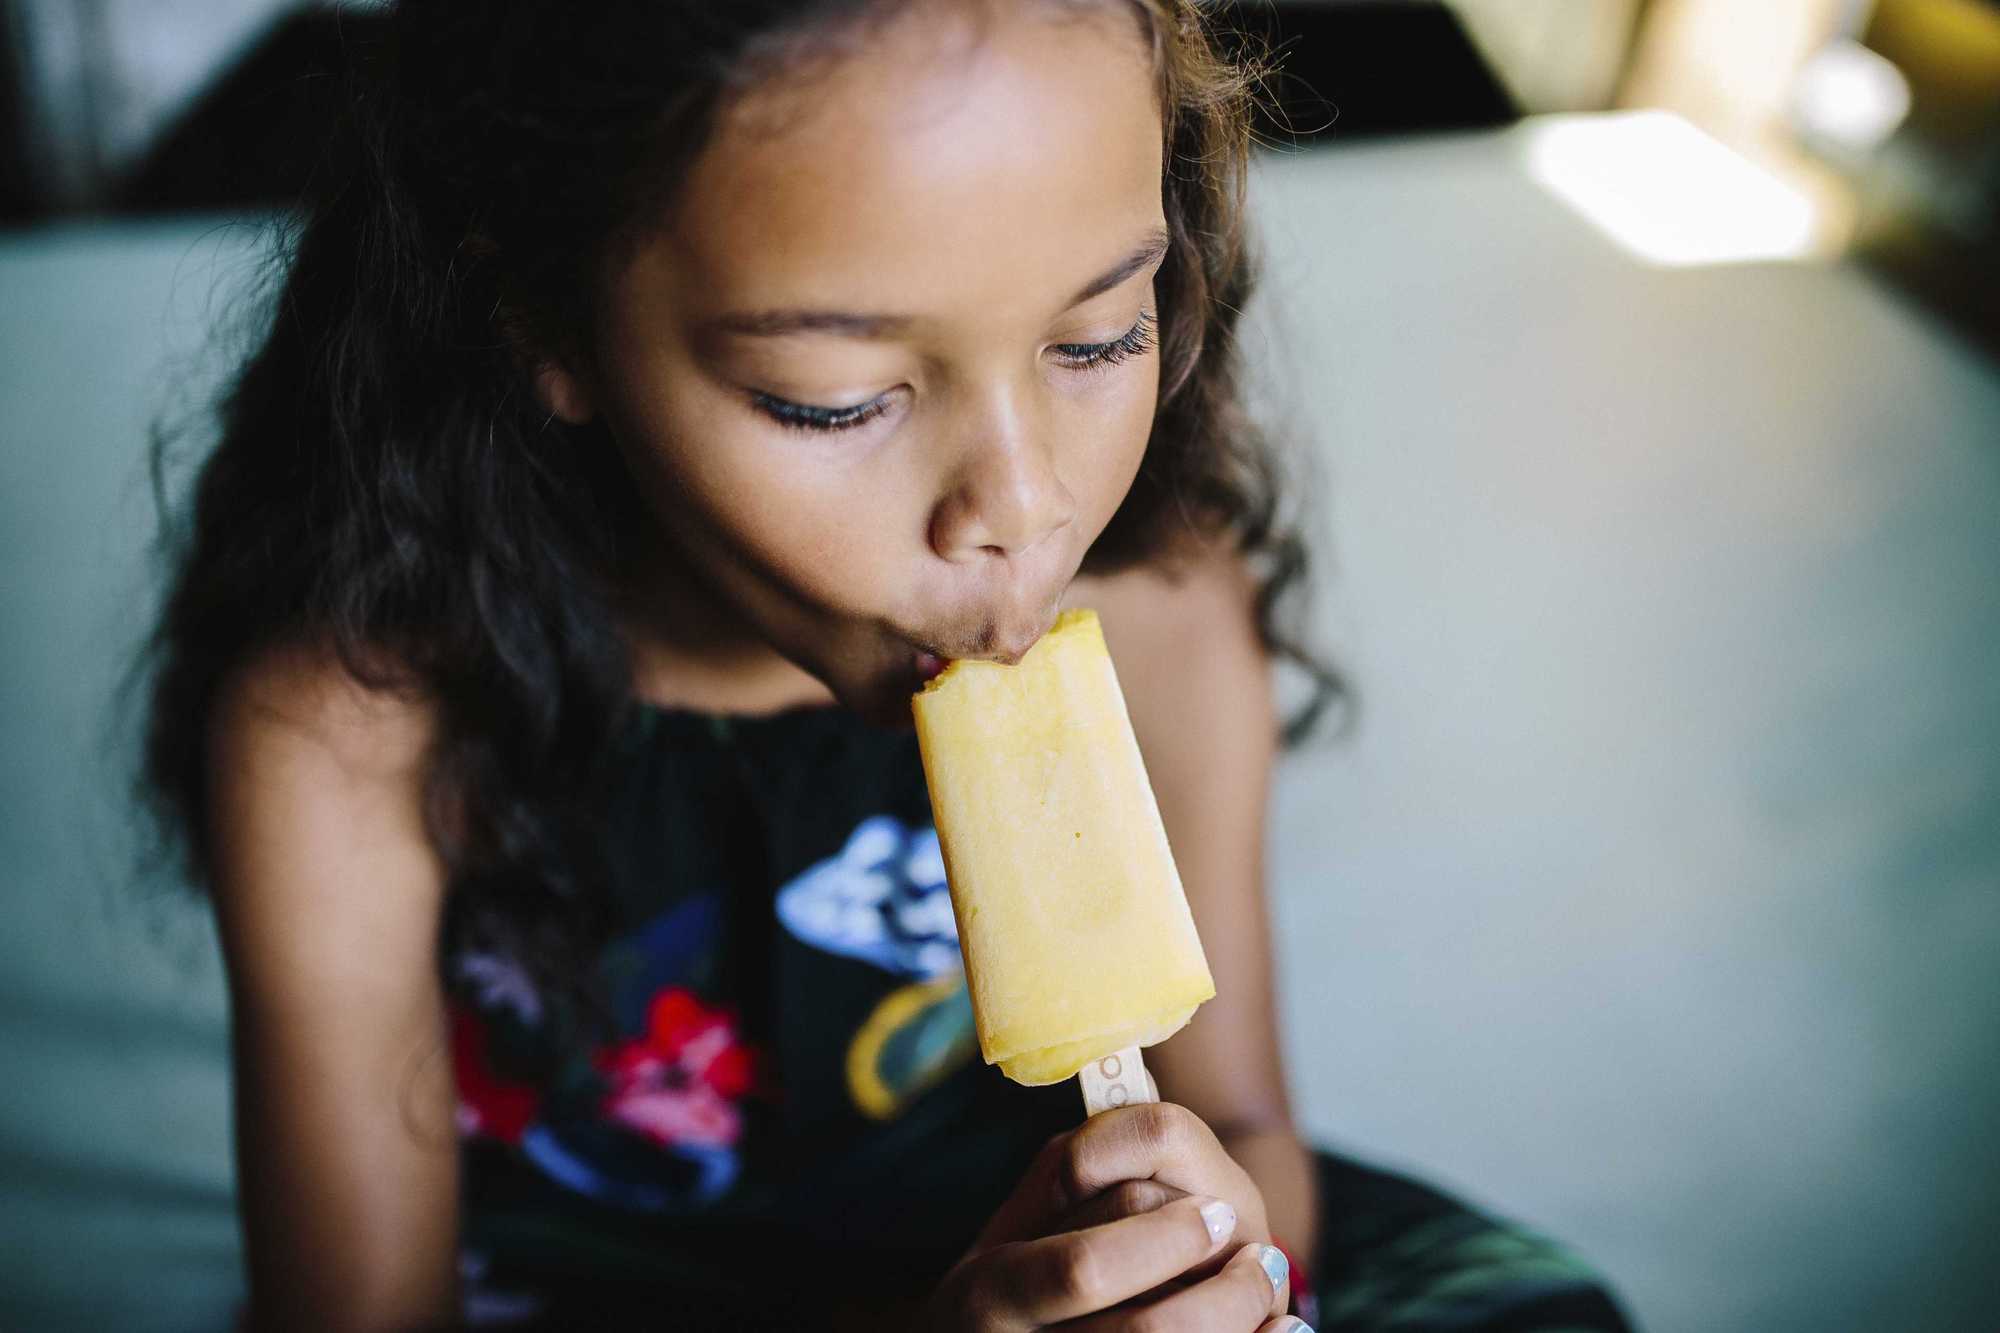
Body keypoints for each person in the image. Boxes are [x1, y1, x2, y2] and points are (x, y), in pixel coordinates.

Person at [139, 1, 1637, 1329]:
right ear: (547, 316)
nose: (1025, 509)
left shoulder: (1165, 619)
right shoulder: (360, 732)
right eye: (835, 402)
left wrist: (1201, 1255)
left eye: (1101, 335)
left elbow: (1242, 1120)